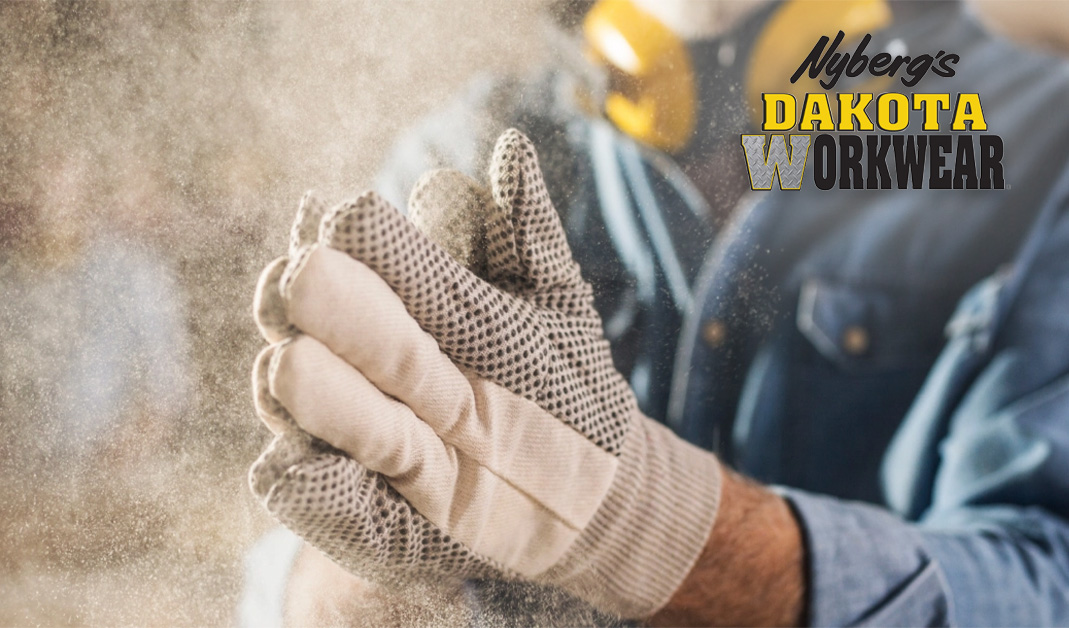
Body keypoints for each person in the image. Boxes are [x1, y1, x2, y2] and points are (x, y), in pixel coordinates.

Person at [245, 1, 1069, 625]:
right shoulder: (473, 146)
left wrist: (641, 523)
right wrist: (382, 585)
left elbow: (1047, 583)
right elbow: (283, 567)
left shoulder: (1039, 142)